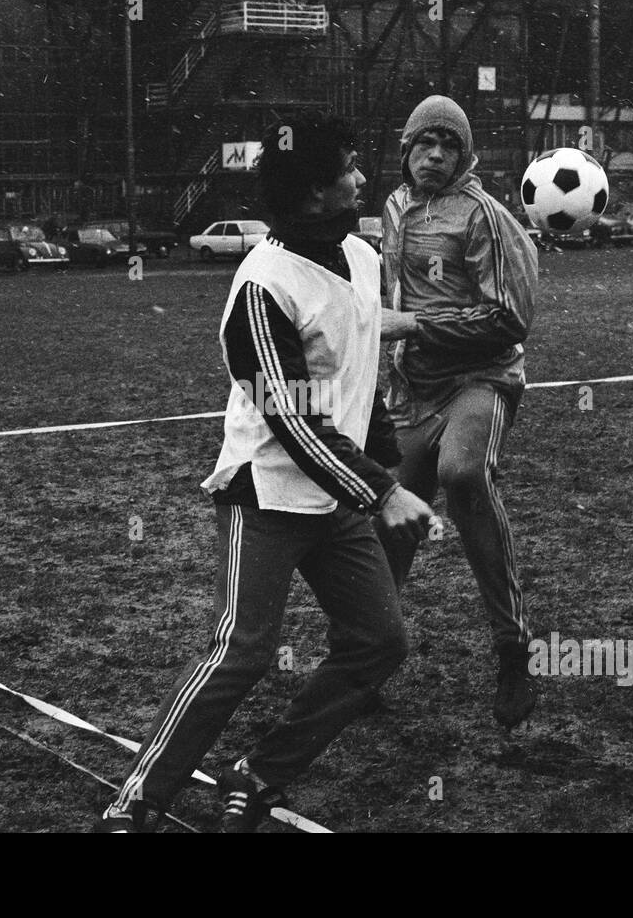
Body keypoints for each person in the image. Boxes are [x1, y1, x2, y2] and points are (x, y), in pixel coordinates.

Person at [95, 111, 435, 833]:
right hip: (269, 491)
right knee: (241, 652)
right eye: (349, 166)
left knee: (380, 641)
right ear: (315, 193)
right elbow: (292, 420)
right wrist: (383, 490)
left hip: (337, 495)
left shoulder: (363, 258)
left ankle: (257, 774)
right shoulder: (260, 288)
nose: (362, 177)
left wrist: (385, 465)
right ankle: (134, 802)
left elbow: (360, 374)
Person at [378, 94, 540, 729]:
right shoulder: (392, 209)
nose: (436, 156)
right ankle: (365, 657)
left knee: (464, 475)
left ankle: (512, 652)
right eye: (425, 144)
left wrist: (413, 325)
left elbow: (508, 321)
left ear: (465, 155)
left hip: (481, 379)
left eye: (449, 146)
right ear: (407, 152)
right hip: (413, 393)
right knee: (388, 517)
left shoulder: (486, 218)